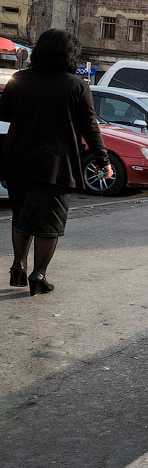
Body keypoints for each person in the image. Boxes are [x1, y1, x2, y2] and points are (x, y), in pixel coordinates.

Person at [0, 29, 112, 296]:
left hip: (18, 161)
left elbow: (3, 113)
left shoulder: (20, 79)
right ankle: (38, 275)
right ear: (69, 55)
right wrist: (103, 160)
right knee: (49, 223)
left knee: (21, 215)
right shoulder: (75, 85)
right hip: (55, 166)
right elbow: (90, 127)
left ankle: (18, 265)